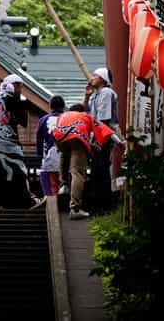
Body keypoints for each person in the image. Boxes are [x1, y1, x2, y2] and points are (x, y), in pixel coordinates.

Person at [52, 104, 124, 219]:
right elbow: (107, 131)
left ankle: (64, 184)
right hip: (76, 138)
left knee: (65, 155)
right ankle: (75, 208)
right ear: (82, 111)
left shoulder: (63, 115)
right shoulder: (86, 116)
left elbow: (64, 135)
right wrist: (120, 143)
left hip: (59, 137)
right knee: (78, 173)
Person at [0, 74, 44, 210]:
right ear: (12, 86)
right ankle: (29, 201)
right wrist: (18, 100)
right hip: (7, 142)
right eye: (19, 86)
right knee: (20, 171)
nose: (21, 90)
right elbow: (23, 121)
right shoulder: (11, 98)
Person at [82, 67, 122, 211]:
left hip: (103, 135)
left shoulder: (106, 92)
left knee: (101, 168)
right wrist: (86, 96)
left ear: (103, 79)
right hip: (98, 134)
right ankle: (99, 202)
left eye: (95, 76)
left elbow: (103, 119)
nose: (92, 78)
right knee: (98, 168)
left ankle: (104, 203)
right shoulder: (95, 94)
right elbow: (85, 112)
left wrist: (97, 140)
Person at [35, 95, 65, 197]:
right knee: (66, 185)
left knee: (51, 188)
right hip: (66, 158)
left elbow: (39, 139)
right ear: (63, 106)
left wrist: (39, 154)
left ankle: (52, 204)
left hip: (49, 158)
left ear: (50, 106)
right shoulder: (68, 119)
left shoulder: (43, 120)